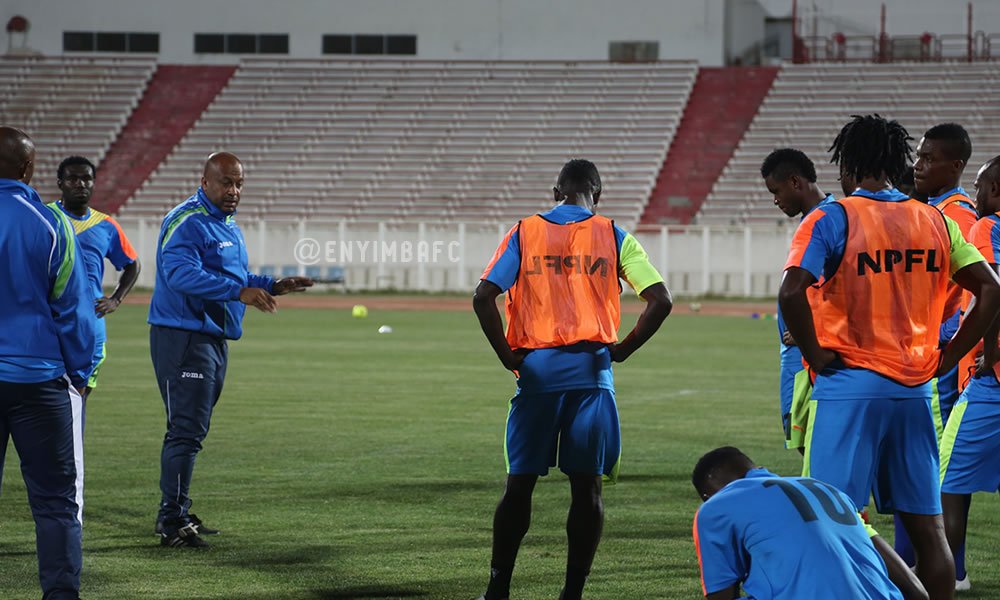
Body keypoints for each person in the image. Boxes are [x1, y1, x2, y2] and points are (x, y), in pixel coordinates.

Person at [779, 114, 1000, 600]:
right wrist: (950, 356)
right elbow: (991, 288)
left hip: (850, 386)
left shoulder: (832, 217)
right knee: (928, 529)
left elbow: (792, 291)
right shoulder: (934, 219)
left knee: (833, 520)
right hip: (916, 389)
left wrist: (814, 352)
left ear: (848, 165)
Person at [472, 159, 672, 600]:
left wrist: (508, 357)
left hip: (537, 374)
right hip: (592, 376)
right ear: (596, 195)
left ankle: (497, 589)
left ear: (555, 192)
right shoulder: (614, 234)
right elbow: (660, 300)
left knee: (518, 486)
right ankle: (572, 594)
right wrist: (623, 349)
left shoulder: (525, 231)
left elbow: (483, 296)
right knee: (587, 488)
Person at [148, 152, 313, 548]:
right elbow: (180, 274)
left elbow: (233, 276)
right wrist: (239, 292)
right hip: (184, 337)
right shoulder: (188, 221)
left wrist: (272, 285)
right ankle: (172, 521)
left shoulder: (225, 223)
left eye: (239, 183)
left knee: (192, 430)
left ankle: (177, 509)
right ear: (204, 182)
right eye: (226, 182)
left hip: (212, 338)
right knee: (186, 430)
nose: (234, 191)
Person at [0, 126, 96, 599]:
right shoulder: (49, 223)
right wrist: (79, 372)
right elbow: (73, 309)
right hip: (38, 381)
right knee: (56, 503)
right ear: (27, 169)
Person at [896, 123, 977, 586]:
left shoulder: (956, 215)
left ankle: (951, 568)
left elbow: (970, 291)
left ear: (955, 165)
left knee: (936, 466)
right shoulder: (933, 210)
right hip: (925, 351)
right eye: (918, 157)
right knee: (923, 464)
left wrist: (949, 345)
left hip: (938, 354)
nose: (919, 165)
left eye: (929, 158)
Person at [691, 447, 927, 600]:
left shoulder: (715, 508)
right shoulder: (828, 490)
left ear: (707, 496)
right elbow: (917, 592)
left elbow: (720, 595)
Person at [938, 155, 1000, 593]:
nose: (974, 196)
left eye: (978, 187)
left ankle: (950, 576)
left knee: (947, 479)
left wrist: (990, 352)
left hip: (992, 382)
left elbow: (993, 290)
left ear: (994, 189)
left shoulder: (988, 226)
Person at [51, 156, 140, 413]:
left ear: (93, 183)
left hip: (90, 324)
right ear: (60, 183)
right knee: (47, 399)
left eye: (86, 179)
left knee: (79, 399)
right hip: (51, 321)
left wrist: (116, 299)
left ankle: (74, 441)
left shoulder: (105, 225)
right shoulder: (46, 217)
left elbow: (132, 264)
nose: (80, 184)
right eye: (72, 178)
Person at [760, 148, 835, 452]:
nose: (775, 200)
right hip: (798, 354)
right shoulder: (817, 219)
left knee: (813, 444)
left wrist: (811, 331)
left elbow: (846, 287)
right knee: (805, 441)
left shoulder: (828, 220)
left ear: (794, 182)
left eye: (775, 191)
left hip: (807, 356)